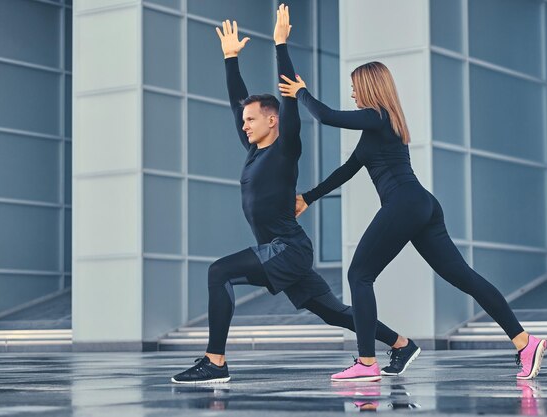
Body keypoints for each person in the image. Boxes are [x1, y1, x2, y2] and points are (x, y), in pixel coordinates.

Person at [171, 5, 412, 385]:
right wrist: (230, 59)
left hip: (287, 248)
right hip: (282, 251)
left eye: (252, 120)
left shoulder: (285, 149)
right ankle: (401, 344)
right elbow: (238, 103)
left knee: (219, 272)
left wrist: (281, 44)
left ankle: (214, 362)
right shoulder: (253, 151)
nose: (245, 125)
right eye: (244, 121)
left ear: (273, 120)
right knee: (332, 312)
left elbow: (288, 96)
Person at [278, 62, 547, 382]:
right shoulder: (377, 127)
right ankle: (524, 343)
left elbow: (326, 116)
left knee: (359, 275)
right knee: (464, 277)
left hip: (404, 205)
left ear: (369, 86)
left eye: (354, 85)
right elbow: (347, 171)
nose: (351, 92)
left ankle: (367, 363)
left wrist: (301, 93)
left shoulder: (378, 116)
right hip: (421, 206)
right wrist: (309, 197)